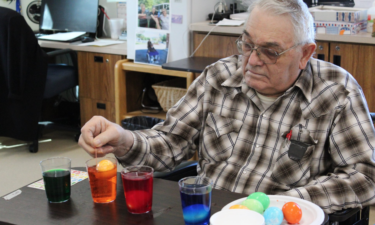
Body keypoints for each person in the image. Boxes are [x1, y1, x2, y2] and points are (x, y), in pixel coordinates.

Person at [79, 0, 375, 214]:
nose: (253, 60)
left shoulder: (336, 92)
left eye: (270, 51)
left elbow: (366, 178)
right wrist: (123, 139)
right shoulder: (219, 77)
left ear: (305, 54)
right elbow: (171, 142)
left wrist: (284, 203)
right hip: (208, 215)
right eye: (247, 45)